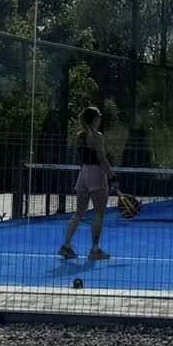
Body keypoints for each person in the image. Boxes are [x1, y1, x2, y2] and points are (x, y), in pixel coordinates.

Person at [58, 107, 115, 262]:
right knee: (99, 213)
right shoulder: (97, 136)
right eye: (99, 118)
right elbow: (102, 159)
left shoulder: (79, 136)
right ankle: (95, 250)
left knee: (79, 213)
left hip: (83, 175)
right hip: (96, 176)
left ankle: (66, 246)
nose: (100, 120)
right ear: (94, 120)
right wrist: (112, 176)